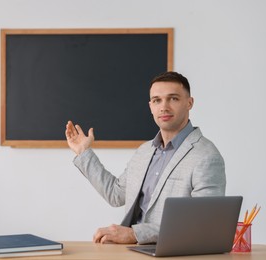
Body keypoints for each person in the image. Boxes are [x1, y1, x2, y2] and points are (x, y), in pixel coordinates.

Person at [65, 71, 226, 245]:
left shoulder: (207, 156)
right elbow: (115, 194)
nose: (164, 107)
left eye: (173, 98)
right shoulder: (144, 151)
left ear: (189, 103)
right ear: (151, 106)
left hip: (173, 253)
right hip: (131, 250)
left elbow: (203, 223)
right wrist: (84, 152)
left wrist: (135, 234)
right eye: (157, 100)